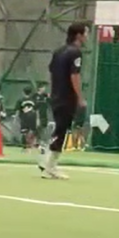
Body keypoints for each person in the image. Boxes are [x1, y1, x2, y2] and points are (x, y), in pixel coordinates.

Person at [40, 22, 88, 179]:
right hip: (67, 97)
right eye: (85, 33)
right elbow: (74, 75)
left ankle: (47, 162)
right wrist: (80, 97)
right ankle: (49, 166)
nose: (87, 37)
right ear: (79, 35)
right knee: (61, 130)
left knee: (59, 128)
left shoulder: (58, 51)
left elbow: (52, 71)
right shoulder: (75, 53)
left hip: (56, 95)